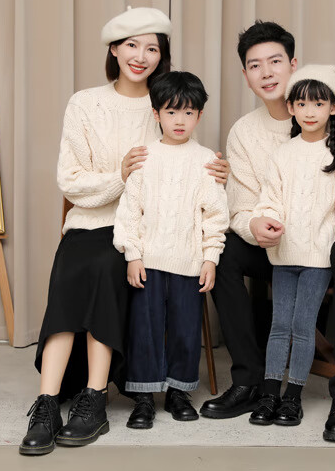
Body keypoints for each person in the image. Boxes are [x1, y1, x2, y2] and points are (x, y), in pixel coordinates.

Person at [20, 7, 229, 455]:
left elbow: (185, 163)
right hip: (90, 221)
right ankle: (46, 402)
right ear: (113, 49)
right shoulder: (85, 103)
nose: (141, 56)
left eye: (152, 48)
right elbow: (70, 181)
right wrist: (120, 176)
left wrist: (217, 174)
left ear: (162, 55)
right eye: (131, 45)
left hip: (150, 232)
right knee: (74, 266)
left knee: (104, 265)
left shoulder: (167, 100)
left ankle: (94, 397)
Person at [200, 21, 335, 445]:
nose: (267, 72)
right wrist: (254, 225)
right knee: (223, 251)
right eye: (255, 65)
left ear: (293, 64)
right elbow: (241, 207)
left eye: (275, 61)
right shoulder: (244, 133)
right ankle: (251, 381)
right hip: (285, 245)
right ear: (245, 75)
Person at [113, 71, 229, 430]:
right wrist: (132, 254)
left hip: (189, 263)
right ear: (156, 113)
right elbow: (129, 211)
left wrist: (210, 258)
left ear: (200, 115)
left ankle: (179, 392)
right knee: (144, 328)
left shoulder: (206, 160)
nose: (180, 120)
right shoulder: (144, 158)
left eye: (189, 112)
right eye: (171, 111)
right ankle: (144, 397)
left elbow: (215, 215)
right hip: (148, 262)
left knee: (185, 328)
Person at [248, 65, 335, 428]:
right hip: (283, 255)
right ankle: (270, 394)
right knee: (279, 324)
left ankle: (292, 398)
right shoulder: (283, 154)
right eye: (301, 104)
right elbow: (270, 199)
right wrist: (267, 219)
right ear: (291, 108)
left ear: (333, 107)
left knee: (302, 324)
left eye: (318, 103)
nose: (309, 111)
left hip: (318, 258)